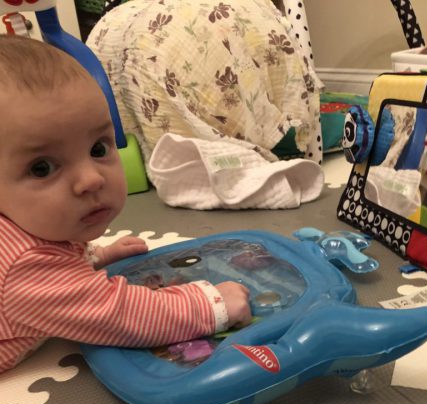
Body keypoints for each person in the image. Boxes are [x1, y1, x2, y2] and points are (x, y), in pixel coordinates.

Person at [0, 35, 252, 374]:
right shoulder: (24, 270)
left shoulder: (29, 227)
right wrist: (208, 306)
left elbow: (51, 256)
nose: (91, 179)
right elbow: (115, 314)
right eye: (42, 167)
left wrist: (94, 256)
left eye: (98, 149)